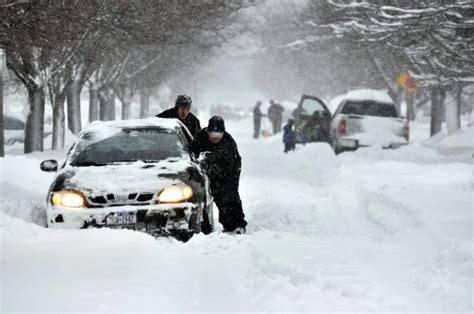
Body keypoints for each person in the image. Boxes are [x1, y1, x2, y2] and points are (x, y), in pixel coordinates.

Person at [191, 116, 247, 234]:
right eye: (213, 136)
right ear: (208, 132)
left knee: (229, 195)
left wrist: (215, 171)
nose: (215, 139)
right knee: (214, 197)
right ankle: (226, 223)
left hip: (229, 171)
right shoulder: (200, 138)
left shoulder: (228, 143)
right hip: (208, 171)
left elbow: (231, 166)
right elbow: (192, 153)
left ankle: (238, 224)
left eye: (218, 136)